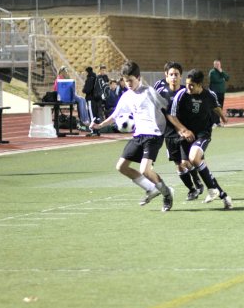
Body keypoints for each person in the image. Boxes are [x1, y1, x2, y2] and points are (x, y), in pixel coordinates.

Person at [91, 60, 174, 212]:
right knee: (121, 167)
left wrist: (175, 129)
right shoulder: (127, 96)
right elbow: (116, 115)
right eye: (125, 80)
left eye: (131, 80)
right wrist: (100, 126)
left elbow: (167, 108)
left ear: (139, 78)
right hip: (138, 135)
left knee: (145, 170)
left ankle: (166, 193)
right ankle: (151, 188)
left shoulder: (149, 92)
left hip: (153, 135)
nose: (128, 83)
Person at [168, 68, 233, 210]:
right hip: (186, 136)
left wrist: (223, 116)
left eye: (191, 85)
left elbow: (215, 106)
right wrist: (184, 130)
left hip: (203, 133)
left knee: (194, 158)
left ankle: (211, 189)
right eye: (187, 84)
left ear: (199, 85)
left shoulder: (209, 95)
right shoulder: (181, 95)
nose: (188, 87)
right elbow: (172, 116)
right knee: (186, 163)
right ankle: (222, 195)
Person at [155, 61, 204, 201]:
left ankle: (197, 180)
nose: (174, 77)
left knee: (186, 161)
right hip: (169, 133)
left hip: (184, 131)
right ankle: (192, 189)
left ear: (181, 76)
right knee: (179, 165)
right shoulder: (160, 92)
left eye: (176, 74)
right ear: (166, 75)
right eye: (171, 74)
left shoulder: (185, 92)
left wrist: (187, 129)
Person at [208, 59, 230, 125]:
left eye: (218, 64)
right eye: (216, 64)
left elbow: (227, 78)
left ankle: (217, 121)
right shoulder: (212, 72)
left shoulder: (221, 72)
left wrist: (222, 73)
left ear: (220, 65)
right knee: (215, 107)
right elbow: (215, 80)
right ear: (214, 65)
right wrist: (222, 79)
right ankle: (213, 121)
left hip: (221, 92)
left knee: (220, 107)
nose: (217, 66)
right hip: (215, 92)